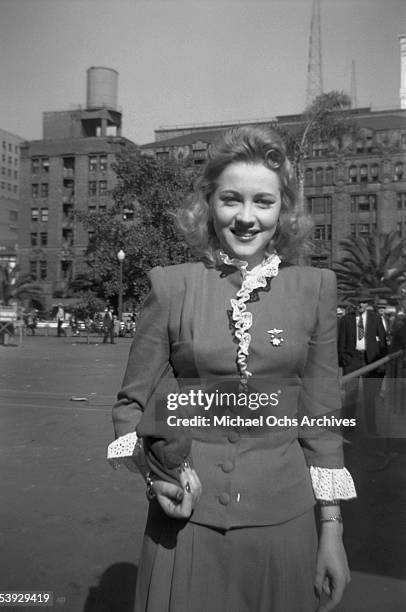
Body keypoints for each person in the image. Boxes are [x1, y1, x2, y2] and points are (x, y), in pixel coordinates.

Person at [108, 126, 356, 612]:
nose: (246, 218)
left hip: (281, 530)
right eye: (230, 200)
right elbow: (130, 405)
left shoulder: (316, 290)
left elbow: (321, 422)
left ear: (283, 209)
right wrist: (158, 476)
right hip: (184, 526)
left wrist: (331, 532)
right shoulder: (171, 286)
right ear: (208, 204)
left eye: (263, 202)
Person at [338, 290, 387, 435]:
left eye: (364, 302)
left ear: (368, 304)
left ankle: (372, 428)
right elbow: (341, 341)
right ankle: (348, 429)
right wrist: (344, 358)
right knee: (350, 395)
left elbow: (382, 340)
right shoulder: (346, 320)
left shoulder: (375, 318)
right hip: (352, 360)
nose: (361, 305)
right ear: (355, 304)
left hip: (369, 360)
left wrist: (380, 362)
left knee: (369, 397)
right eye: (358, 302)